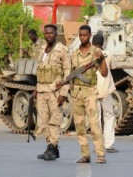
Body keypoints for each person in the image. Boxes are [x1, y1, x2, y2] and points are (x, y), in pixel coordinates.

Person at [68, 25, 107, 164]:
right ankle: (85, 154)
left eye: (85, 35)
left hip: (90, 92)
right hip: (76, 92)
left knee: (94, 124)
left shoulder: (96, 52)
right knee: (79, 125)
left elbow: (104, 73)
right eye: (80, 35)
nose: (82, 37)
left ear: (90, 35)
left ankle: (100, 154)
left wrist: (102, 60)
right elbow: (70, 73)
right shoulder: (74, 53)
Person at [34, 24, 71, 161]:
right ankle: (51, 147)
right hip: (42, 90)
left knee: (54, 121)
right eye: (46, 33)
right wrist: (36, 89)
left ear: (56, 34)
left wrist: (63, 93)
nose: (48, 35)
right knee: (43, 121)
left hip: (55, 92)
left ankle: (53, 145)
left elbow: (67, 73)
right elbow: (40, 70)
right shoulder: (43, 49)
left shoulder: (62, 50)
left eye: (51, 33)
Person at [92, 34, 118, 152]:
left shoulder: (88, 55)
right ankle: (108, 145)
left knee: (95, 118)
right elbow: (112, 67)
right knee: (109, 115)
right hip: (105, 88)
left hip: (92, 89)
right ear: (103, 43)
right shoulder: (108, 54)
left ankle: (98, 145)